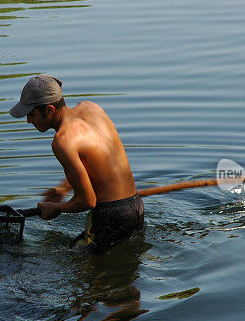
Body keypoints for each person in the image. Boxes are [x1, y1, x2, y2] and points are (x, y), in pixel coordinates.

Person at [9, 74, 144, 253]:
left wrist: (56, 208)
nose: (28, 120)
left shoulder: (62, 141)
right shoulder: (91, 108)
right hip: (135, 206)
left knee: (86, 276)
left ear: (49, 110)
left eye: (31, 114)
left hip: (111, 217)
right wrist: (64, 188)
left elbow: (87, 201)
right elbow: (100, 160)